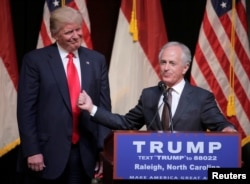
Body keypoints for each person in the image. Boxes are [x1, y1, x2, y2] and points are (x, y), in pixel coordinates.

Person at [16, 6, 111, 184]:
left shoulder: (97, 60)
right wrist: (32, 150)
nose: (76, 35)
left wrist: (102, 151)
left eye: (78, 29)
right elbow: (25, 110)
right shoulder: (35, 61)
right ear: (55, 34)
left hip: (84, 154)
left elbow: (103, 107)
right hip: (45, 154)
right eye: (69, 32)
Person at [78, 41, 236, 133]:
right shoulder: (150, 95)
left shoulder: (201, 98)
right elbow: (126, 123)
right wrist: (92, 108)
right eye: (163, 62)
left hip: (188, 169)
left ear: (185, 68)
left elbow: (221, 125)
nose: (166, 68)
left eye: (172, 63)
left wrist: (228, 129)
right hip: (154, 169)